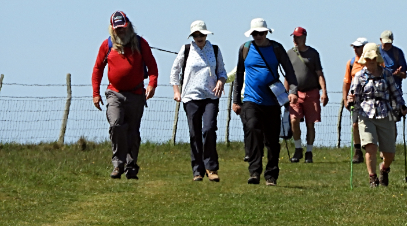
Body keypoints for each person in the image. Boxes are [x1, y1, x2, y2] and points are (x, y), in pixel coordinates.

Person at [231, 18, 298, 186]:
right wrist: (236, 100)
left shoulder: (277, 49)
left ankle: (271, 175)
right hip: (250, 100)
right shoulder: (245, 49)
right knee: (252, 128)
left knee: (272, 140)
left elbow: (289, 72)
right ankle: (254, 172)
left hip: (272, 101)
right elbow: (239, 74)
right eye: (255, 33)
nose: (258, 36)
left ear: (267, 32)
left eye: (261, 33)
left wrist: (292, 92)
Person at [91, 11, 158, 179]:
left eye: (123, 28)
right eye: (117, 29)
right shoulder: (106, 45)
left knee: (133, 131)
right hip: (115, 93)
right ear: (112, 29)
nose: (120, 31)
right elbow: (98, 68)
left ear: (128, 26)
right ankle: (117, 164)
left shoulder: (141, 44)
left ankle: (131, 166)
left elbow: (152, 67)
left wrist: (152, 84)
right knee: (116, 125)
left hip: (136, 94)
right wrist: (96, 93)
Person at [170, 20, 228, 182]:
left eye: (201, 34)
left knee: (209, 129)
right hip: (191, 97)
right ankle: (197, 170)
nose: (199, 37)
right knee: (194, 133)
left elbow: (222, 71)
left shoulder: (215, 50)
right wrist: (176, 91)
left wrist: (220, 82)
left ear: (206, 34)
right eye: (196, 35)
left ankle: (211, 168)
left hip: (211, 96)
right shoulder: (186, 50)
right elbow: (175, 71)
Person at [347, 43, 407, 187]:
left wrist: (401, 105)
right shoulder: (359, 76)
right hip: (365, 114)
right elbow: (354, 93)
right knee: (371, 147)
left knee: (389, 153)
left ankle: (384, 169)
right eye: (368, 58)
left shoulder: (386, 74)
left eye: (373, 58)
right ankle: (372, 178)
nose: (371, 61)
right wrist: (351, 100)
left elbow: (395, 92)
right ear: (364, 59)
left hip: (385, 113)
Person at [285, 27, 328, 163]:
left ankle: (309, 151)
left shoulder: (313, 53)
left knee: (310, 124)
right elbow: (287, 75)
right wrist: (285, 94)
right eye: (294, 37)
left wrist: (324, 92)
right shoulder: (289, 53)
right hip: (295, 93)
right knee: (293, 120)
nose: (295, 40)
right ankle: (298, 148)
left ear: (304, 37)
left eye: (297, 37)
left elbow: (319, 74)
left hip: (311, 92)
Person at [342, 37, 368, 163]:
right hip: (355, 99)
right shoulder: (351, 63)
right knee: (355, 124)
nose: (355, 49)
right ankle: (358, 151)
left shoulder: (373, 62)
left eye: (358, 47)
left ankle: (371, 148)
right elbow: (346, 82)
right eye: (354, 47)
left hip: (370, 98)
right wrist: (345, 99)